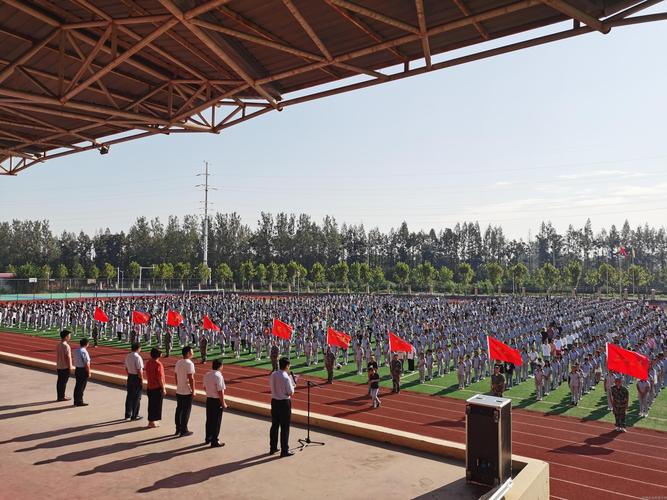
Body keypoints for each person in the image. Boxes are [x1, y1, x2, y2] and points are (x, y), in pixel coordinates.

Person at [269, 357, 296, 457]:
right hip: (284, 402)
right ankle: (284, 450)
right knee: (285, 428)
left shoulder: (273, 374)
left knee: (274, 425)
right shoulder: (286, 377)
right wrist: (293, 385)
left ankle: (273, 447)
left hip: (274, 401)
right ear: (287, 366)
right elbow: (290, 392)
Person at [203, 359, 227, 448]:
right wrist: (223, 402)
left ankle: (208, 438)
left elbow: (205, 387)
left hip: (209, 399)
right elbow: (220, 391)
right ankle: (215, 440)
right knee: (216, 421)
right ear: (220, 366)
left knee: (209, 419)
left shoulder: (207, 374)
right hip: (216, 401)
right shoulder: (218, 376)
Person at [174, 346, 196, 437]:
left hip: (179, 390)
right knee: (186, 410)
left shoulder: (178, 362)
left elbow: (175, 375)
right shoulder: (189, 363)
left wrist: (178, 384)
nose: (193, 353)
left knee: (179, 409)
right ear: (187, 353)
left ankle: (178, 429)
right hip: (187, 391)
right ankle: (184, 430)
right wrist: (193, 390)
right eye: (191, 352)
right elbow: (191, 378)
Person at [145, 347, 166, 428]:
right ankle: (153, 422)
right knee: (156, 405)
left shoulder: (148, 362)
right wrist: (163, 388)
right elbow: (159, 377)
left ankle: (150, 421)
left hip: (150, 386)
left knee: (151, 405)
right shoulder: (158, 364)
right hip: (156, 387)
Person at [124, 342, 144, 421]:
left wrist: (129, 374)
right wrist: (141, 379)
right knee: (137, 397)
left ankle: (127, 414)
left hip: (130, 376)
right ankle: (135, 415)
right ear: (138, 348)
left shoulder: (128, 356)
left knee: (129, 396)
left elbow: (126, 368)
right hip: (136, 377)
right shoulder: (137, 357)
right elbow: (139, 370)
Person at [56, 329, 73, 402]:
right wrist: (70, 367)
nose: (70, 336)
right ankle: (62, 396)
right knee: (63, 382)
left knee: (59, 382)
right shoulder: (66, 346)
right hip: (65, 366)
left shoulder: (58, 344)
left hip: (59, 365)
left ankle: (60, 395)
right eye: (69, 335)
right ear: (66, 337)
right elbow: (68, 357)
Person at [72, 338, 91, 406]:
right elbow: (86, 363)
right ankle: (79, 401)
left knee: (77, 385)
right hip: (82, 370)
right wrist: (88, 372)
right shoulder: (84, 351)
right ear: (86, 344)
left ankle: (76, 400)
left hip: (77, 369)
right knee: (81, 386)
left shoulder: (76, 350)